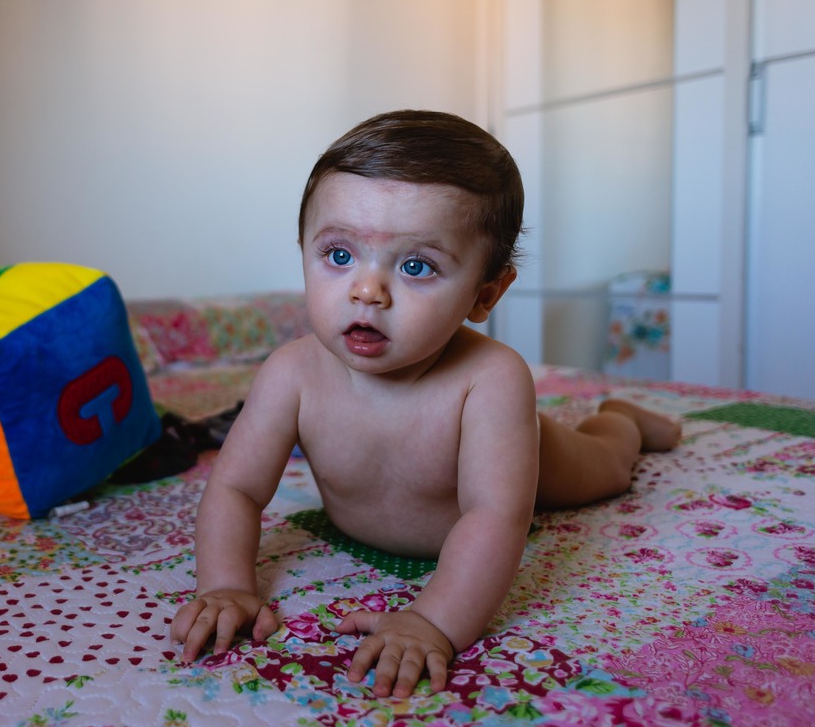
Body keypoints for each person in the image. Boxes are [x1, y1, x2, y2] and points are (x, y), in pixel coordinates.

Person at [169, 110, 682, 698]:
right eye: (338, 255)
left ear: (484, 294)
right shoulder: (291, 372)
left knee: (609, 468)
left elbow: (495, 516)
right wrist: (226, 583)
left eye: (417, 266)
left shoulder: (490, 378)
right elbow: (235, 488)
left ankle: (620, 420)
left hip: (532, 459)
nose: (367, 290)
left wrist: (432, 619)